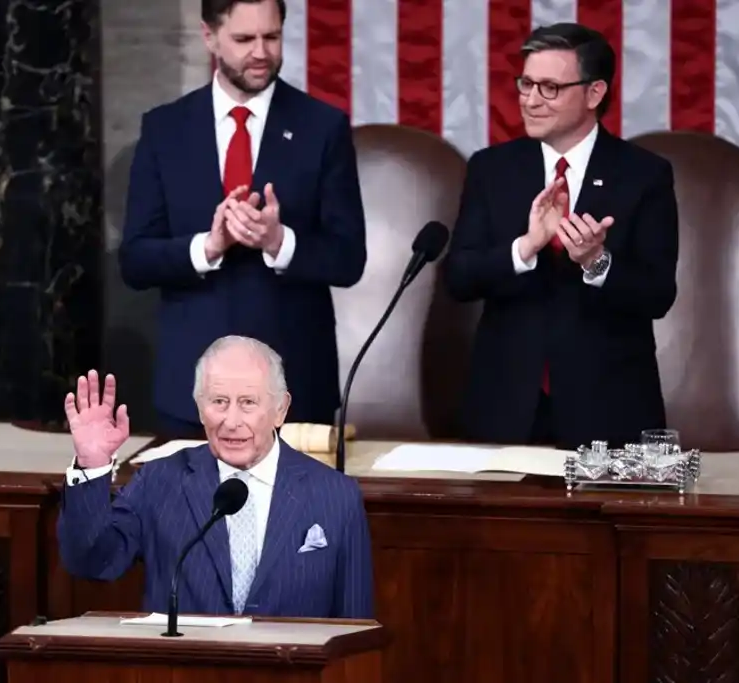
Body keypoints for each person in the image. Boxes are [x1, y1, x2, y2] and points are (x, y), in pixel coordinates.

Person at [119, 0, 366, 438]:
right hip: (191, 391)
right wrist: (206, 248)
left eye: (271, 37)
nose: (261, 52)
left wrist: (279, 242)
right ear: (209, 36)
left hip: (294, 389)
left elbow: (348, 259)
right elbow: (135, 260)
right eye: (244, 39)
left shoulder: (321, 127)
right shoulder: (165, 129)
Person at [443, 22, 679, 449]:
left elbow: (658, 293)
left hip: (609, 411)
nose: (531, 100)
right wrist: (525, 248)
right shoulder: (491, 169)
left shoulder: (644, 175)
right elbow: (459, 278)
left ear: (594, 93)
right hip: (505, 408)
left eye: (549, 87)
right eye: (526, 84)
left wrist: (596, 262)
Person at [57, 335, 374, 619]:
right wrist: (92, 465)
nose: (231, 421)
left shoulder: (336, 495)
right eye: (219, 402)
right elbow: (93, 561)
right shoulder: (159, 481)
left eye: (248, 403)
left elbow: (355, 632)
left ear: (280, 409)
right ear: (199, 408)